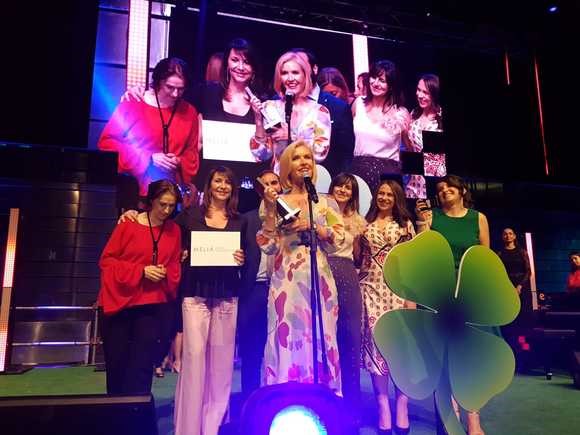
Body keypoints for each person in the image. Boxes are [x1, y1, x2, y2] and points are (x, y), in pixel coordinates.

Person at [258, 140, 344, 392]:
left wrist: (314, 227)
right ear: (287, 165)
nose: (304, 162)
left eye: (308, 157)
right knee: (286, 332)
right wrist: (271, 211)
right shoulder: (276, 201)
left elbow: (340, 239)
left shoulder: (325, 202)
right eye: (296, 158)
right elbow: (267, 245)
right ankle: (284, 394)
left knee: (321, 331)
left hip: (319, 276)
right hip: (286, 278)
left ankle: (324, 395)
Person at [173, 166, 246, 435]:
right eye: (218, 181)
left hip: (226, 294)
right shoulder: (189, 216)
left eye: (227, 182)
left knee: (222, 364)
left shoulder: (240, 221)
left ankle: (214, 427)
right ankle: (188, 429)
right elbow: (168, 236)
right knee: (194, 359)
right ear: (210, 184)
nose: (223, 186)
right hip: (195, 293)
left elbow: (248, 255)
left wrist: (241, 258)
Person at [416, 174, 489, 435]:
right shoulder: (431, 217)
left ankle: (473, 417)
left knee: (470, 357)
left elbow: (485, 258)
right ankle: (450, 414)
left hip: (469, 292)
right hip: (439, 292)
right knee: (443, 356)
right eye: (440, 188)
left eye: (450, 186)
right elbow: (423, 253)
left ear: (462, 191)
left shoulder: (478, 218)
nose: (444, 190)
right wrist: (421, 222)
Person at [98, 179, 182, 394]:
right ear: (151, 201)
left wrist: (165, 272)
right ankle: (116, 410)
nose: (166, 210)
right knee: (117, 365)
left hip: (152, 306)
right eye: (162, 204)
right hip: (120, 304)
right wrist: (141, 271)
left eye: (171, 206)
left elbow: (174, 265)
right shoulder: (128, 224)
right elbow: (107, 262)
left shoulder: (174, 230)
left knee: (143, 365)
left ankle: (138, 409)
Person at [98, 58, 199, 202]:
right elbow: (107, 143)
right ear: (158, 82)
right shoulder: (134, 103)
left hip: (171, 196)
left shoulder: (189, 112)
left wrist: (179, 161)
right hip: (134, 191)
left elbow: (192, 153)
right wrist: (148, 158)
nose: (175, 94)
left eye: (181, 89)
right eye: (170, 87)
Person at [359, 179, 415, 434]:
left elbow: (411, 262)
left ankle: (402, 404)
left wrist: (410, 298)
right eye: (381, 193)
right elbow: (360, 258)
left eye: (389, 195)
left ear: (396, 199)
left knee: (400, 349)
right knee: (376, 346)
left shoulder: (405, 225)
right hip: (370, 290)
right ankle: (383, 405)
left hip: (398, 290)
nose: (384, 198)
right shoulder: (365, 223)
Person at [238, 170, 283, 398]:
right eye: (265, 184)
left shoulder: (291, 217)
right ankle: (250, 399)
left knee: (280, 350)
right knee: (252, 351)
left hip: (284, 290)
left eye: (274, 182)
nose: (270, 187)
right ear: (259, 190)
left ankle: (277, 399)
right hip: (255, 289)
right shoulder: (247, 219)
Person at [249, 51, 331, 174]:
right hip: (278, 180)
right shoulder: (270, 108)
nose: (290, 78)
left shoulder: (320, 112)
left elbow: (320, 153)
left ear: (305, 75)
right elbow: (261, 154)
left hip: (306, 180)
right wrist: (258, 120)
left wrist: (292, 137)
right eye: (284, 73)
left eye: (295, 73)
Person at [327, 173, 366, 427]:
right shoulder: (321, 212)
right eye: (339, 186)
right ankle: (328, 401)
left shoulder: (358, 221)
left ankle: (352, 405)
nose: (343, 190)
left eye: (348, 188)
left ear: (353, 194)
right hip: (323, 271)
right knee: (326, 336)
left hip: (348, 274)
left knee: (350, 337)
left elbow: (359, 256)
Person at [290, 48, 355, 178]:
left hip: (325, 179)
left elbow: (345, 155)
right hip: (286, 178)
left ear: (314, 69)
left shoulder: (338, 107)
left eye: (303, 65)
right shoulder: (279, 102)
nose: (298, 71)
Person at [350, 60, 410, 193]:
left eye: (382, 80)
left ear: (391, 85)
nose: (376, 83)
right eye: (373, 77)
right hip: (358, 170)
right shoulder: (358, 104)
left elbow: (410, 148)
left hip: (388, 176)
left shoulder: (401, 113)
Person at [403, 74, 444, 199]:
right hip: (413, 183)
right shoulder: (414, 114)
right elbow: (410, 149)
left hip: (435, 183)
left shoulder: (440, 118)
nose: (420, 95)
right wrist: (403, 133)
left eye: (425, 92)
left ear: (435, 94)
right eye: (418, 90)